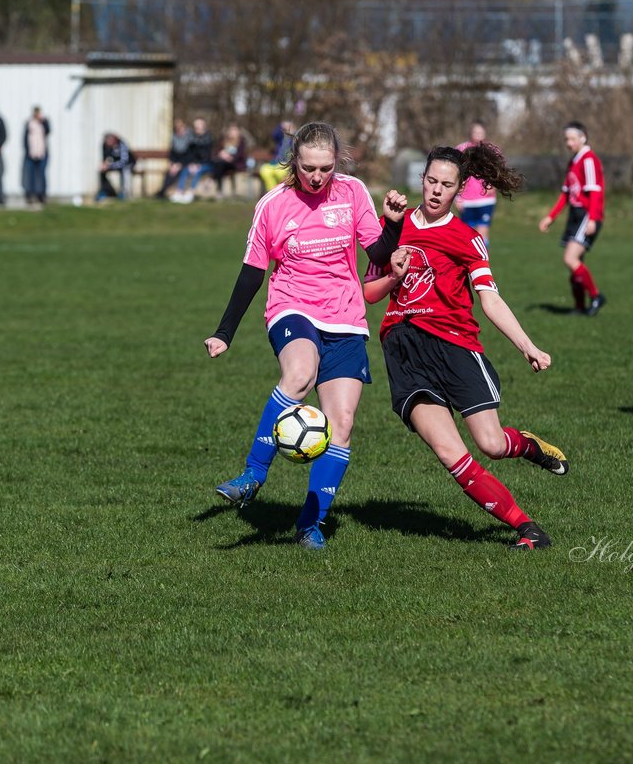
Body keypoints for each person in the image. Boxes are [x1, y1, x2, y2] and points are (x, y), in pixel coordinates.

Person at [205, 122, 408, 550]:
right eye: (309, 167)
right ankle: (253, 474)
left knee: (343, 424)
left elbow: (378, 255)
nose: (317, 177)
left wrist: (392, 224)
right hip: (292, 306)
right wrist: (225, 332)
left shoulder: (352, 193)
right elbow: (251, 274)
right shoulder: (273, 205)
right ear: (293, 160)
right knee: (299, 373)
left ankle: (310, 524)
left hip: (346, 317)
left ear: (338, 162)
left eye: (326, 168)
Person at [363, 144, 569, 551]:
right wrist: (394, 274)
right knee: (449, 452)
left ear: (459, 191)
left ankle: (528, 446)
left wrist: (527, 345)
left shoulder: (468, 239)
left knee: (491, 445)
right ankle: (527, 529)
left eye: (447, 185)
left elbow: (489, 299)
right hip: (404, 349)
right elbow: (369, 293)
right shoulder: (393, 227)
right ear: (420, 180)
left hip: (454, 347)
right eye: (432, 182)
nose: (437, 191)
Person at [539, 121, 606, 315]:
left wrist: (593, 218)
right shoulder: (574, 161)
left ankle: (596, 296)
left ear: (582, 138)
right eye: (566, 139)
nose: (568, 143)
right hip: (575, 215)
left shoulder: (588, 160)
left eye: (571, 139)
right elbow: (566, 195)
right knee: (576, 263)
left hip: (587, 215)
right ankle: (579, 307)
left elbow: (595, 192)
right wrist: (550, 217)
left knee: (570, 258)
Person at [454, 121, 498, 243]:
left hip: (486, 200)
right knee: (468, 237)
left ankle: (483, 262)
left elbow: (500, 172)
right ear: (470, 133)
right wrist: (457, 197)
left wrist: (495, 184)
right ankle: (469, 262)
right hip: (466, 201)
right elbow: (454, 174)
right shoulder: (461, 149)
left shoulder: (492, 150)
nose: (478, 135)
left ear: (485, 133)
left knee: (482, 236)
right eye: (475, 132)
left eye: (480, 132)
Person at [169, 117, 213, 203]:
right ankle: (179, 192)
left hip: (206, 164)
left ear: (203, 126)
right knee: (185, 170)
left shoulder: (208, 138)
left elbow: (207, 156)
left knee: (197, 171)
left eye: (199, 126)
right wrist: (191, 164)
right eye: (196, 126)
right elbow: (189, 154)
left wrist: (198, 164)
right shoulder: (191, 138)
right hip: (194, 164)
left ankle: (190, 193)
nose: (197, 128)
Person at [22, 105, 50, 207]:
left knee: (42, 175)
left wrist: (44, 121)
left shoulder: (43, 122)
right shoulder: (29, 123)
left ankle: (42, 195)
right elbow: (25, 138)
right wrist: (27, 150)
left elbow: (48, 131)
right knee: (31, 176)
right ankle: (31, 195)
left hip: (42, 153)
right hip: (31, 153)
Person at [210, 123, 250, 194]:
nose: (232, 132)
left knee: (219, 164)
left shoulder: (241, 142)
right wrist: (221, 154)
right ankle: (218, 189)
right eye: (231, 130)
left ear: (238, 132)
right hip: (223, 164)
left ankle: (214, 182)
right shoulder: (224, 141)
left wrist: (229, 157)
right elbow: (217, 152)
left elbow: (240, 155)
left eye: (234, 130)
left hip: (235, 164)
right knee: (219, 163)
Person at [257, 119, 294, 194]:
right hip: (275, 162)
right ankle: (272, 192)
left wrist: (293, 133)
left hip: (287, 164)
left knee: (280, 173)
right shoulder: (281, 138)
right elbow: (274, 135)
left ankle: (281, 192)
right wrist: (281, 126)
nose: (287, 128)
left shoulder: (295, 138)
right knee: (264, 170)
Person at [96, 132, 135, 201]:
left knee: (124, 170)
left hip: (127, 163)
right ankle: (105, 190)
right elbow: (105, 157)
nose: (108, 142)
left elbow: (124, 161)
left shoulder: (122, 144)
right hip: (115, 164)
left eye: (110, 140)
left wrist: (110, 165)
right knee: (102, 171)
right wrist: (104, 165)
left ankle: (123, 192)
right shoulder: (104, 145)